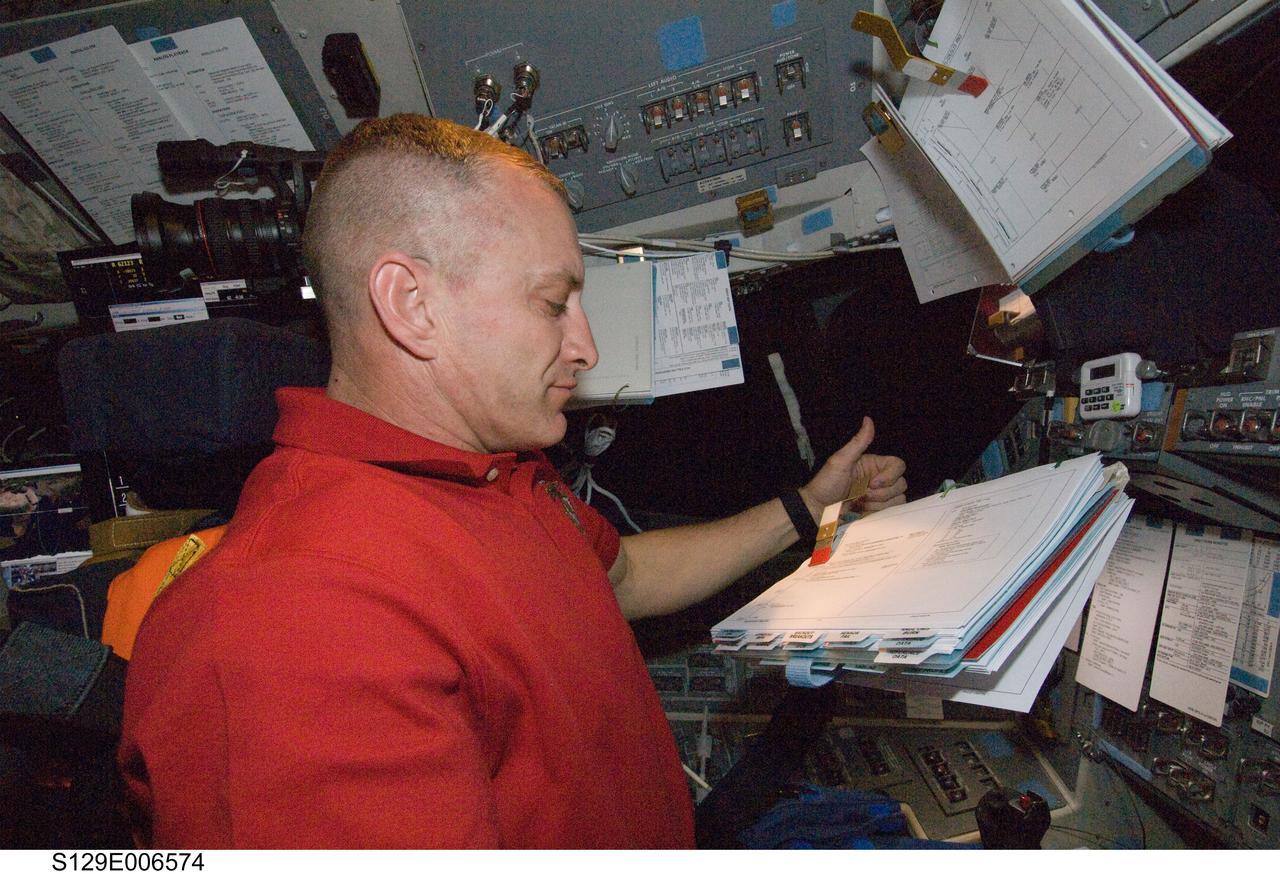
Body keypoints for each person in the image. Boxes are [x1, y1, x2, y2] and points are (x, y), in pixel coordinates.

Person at [118, 115, 907, 848]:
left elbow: (622, 577)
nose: (586, 348)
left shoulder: (494, 464)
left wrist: (810, 506)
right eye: (551, 303)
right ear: (411, 305)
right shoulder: (287, 625)